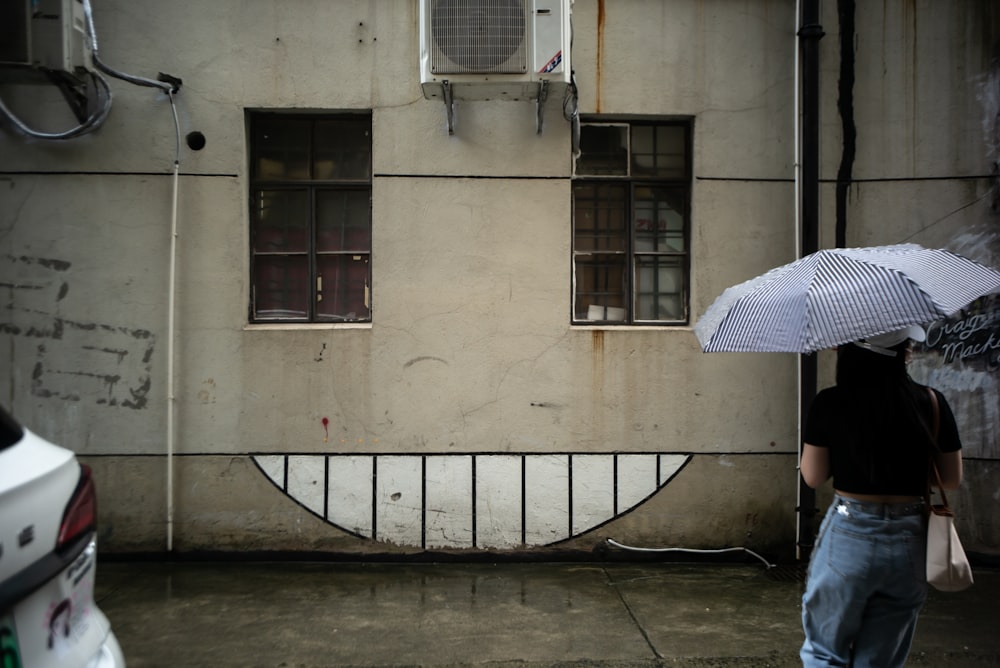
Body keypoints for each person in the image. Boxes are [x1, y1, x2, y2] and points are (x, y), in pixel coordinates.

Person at [799, 324, 964, 668]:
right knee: (881, 660)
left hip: (849, 531)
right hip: (910, 538)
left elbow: (813, 477)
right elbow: (950, 480)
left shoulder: (830, 402)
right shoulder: (931, 402)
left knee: (825, 652)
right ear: (905, 351)